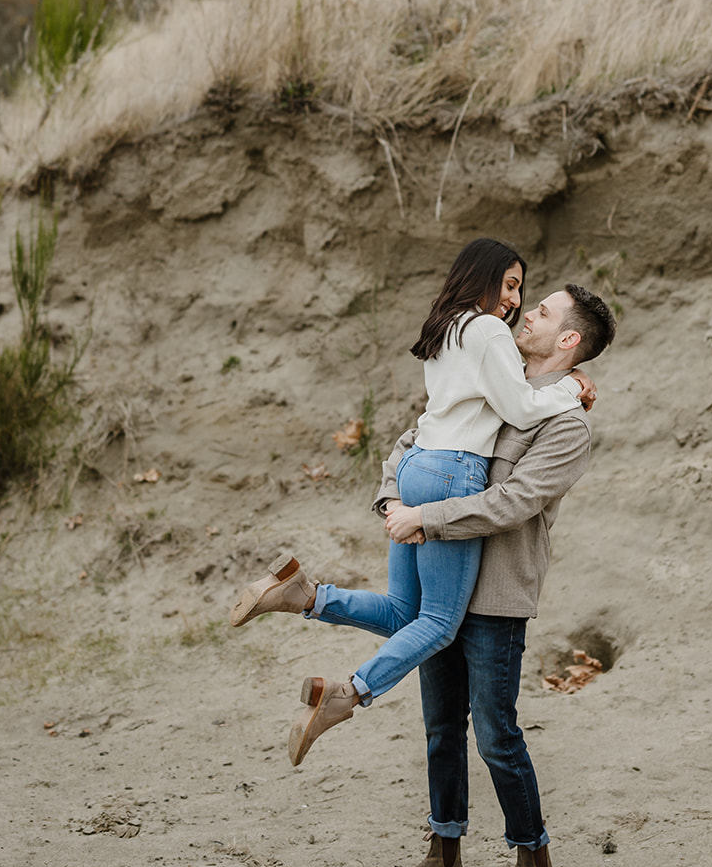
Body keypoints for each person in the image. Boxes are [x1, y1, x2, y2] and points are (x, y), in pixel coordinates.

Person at [228, 238, 594, 767]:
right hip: (453, 473)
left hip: (417, 462)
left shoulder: (447, 327)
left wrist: (570, 373)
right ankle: (347, 693)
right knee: (441, 623)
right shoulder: (489, 330)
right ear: (484, 276)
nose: (515, 301)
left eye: (521, 291)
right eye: (510, 285)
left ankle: (304, 595)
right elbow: (518, 406)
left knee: (406, 612)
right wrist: (571, 390)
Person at [375, 281, 615, 867]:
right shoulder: (491, 376)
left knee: (496, 735)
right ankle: (443, 855)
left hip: (497, 595)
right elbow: (414, 442)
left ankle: (534, 862)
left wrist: (426, 516)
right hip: (441, 585)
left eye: (540, 311)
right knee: (440, 729)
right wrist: (392, 500)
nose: (521, 311)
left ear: (568, 340)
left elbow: (512, 503)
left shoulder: (566, 425)